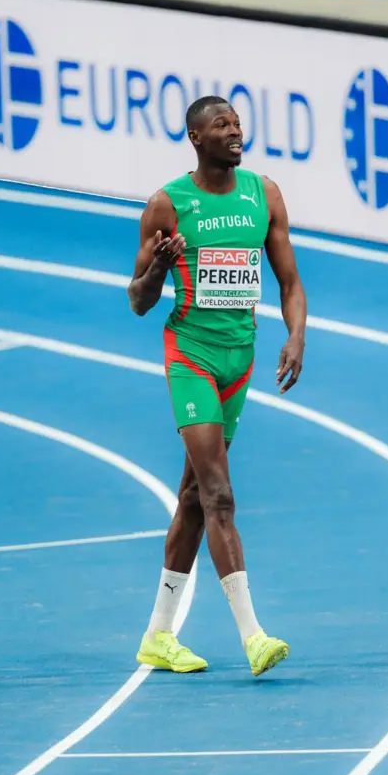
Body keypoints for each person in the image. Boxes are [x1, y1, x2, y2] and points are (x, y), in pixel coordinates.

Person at [126, 95, 307, 677]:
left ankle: (158, 636)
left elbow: (291, 283)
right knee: (218, 496)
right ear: (194, 138)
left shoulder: (265, 194)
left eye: (236, 123)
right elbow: (138, 301)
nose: (235, 131)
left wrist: (295, 337)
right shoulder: (167, 205)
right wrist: (159, 266)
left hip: (241, 361)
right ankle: (253, 637)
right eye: (221, 126)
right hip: (192, 358)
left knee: (190, 502)